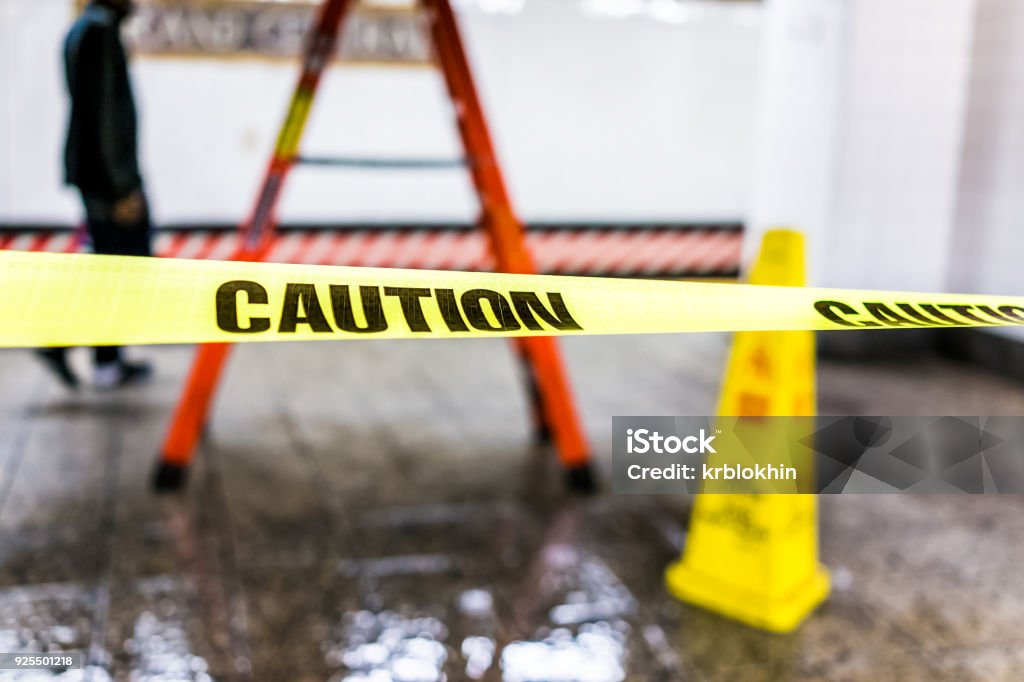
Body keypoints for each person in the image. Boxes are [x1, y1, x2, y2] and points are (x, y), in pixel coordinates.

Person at [36, 0, 152, 390]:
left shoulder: (85, 30)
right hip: (107, 178)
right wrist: (122, 187)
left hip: (96, 173)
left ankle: (105, 358)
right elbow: (105, 116)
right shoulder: (100, 34)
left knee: (112, 267)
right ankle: (77, 347)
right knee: (122, 267)